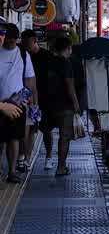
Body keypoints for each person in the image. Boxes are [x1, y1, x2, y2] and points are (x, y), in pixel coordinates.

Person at [0, 24, 35, 183]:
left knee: (13, 139)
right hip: (0, 102)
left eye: (13, 42)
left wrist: (33, 102)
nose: (9, 44)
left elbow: (29, 79)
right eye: (7, 41)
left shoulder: (23, 54)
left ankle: (12, 171)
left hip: (18, 103)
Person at [38, 36, 77, 176]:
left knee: (47, 131)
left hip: (47, 104)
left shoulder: (48, 62)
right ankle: (61, 167)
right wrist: (76, 104)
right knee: (64, 136)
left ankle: (48, 157)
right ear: (68, 48)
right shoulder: (66, 63)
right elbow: (69, 85)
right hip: (64, 105)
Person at [18, 30, 41, 172]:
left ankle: (26, 158)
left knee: (30, 130)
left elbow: (32, 82)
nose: (25, 46)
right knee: (22, 132)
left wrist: (35, 103)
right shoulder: (21, 54)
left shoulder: (23, 55)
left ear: (34, 40)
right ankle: (22, 158)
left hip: (27, 99)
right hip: (18, 99)